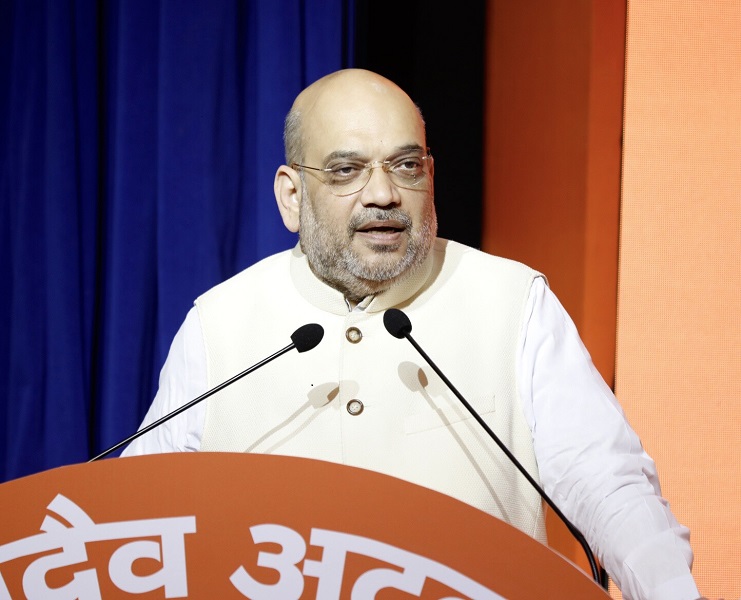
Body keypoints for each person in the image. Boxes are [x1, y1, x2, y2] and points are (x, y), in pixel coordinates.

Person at [122, 68, 702, 600]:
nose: (383, 194)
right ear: (291, 196)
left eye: (405, 166)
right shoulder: (219, 323)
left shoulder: (512, 302)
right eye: (347, 170)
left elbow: (608, 485)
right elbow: (132, 516)